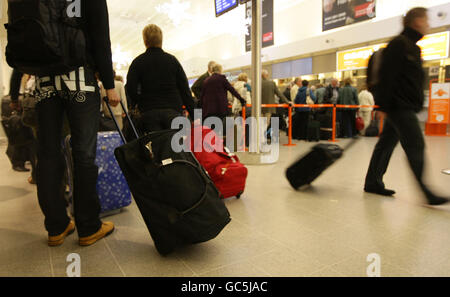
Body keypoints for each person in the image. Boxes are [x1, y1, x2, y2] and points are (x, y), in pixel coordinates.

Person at [27, 0, 120, 247]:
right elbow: (101, 39)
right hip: (79, 80)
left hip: (44, 83)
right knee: (83, 154)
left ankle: (56, 227)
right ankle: (89, 226)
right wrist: (109, 85)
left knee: (47, 154)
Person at [364, 7, 448, 206]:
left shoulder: (412, 46)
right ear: (416, 21)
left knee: (386, 143)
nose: (428, 24)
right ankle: (427, 192)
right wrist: (382, 105)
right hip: (399, 107)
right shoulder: (399, 45)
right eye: (426, 20)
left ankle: (373, 182)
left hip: (403, 106)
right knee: (415, 144)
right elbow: (388, 77)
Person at [126, 24, 195, 132]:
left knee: (154, 146)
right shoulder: (172, 61)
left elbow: (130, 89)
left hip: (148, 113)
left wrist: (138, 103)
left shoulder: (137, 62)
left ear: (144, 41)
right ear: (161, 40)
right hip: (173, 112)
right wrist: (195, 115)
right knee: (174, 147)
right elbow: (184, 90)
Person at [200, 64, 246, 136]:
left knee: (210, 131)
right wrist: (241, 99)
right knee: (219, 131)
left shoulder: (206, 81)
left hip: (208, 110)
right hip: (220, 109)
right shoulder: (222, 79)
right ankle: (217, 145)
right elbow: (232, 90)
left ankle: (211, 144)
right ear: (220, 71)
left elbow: (202, 96)